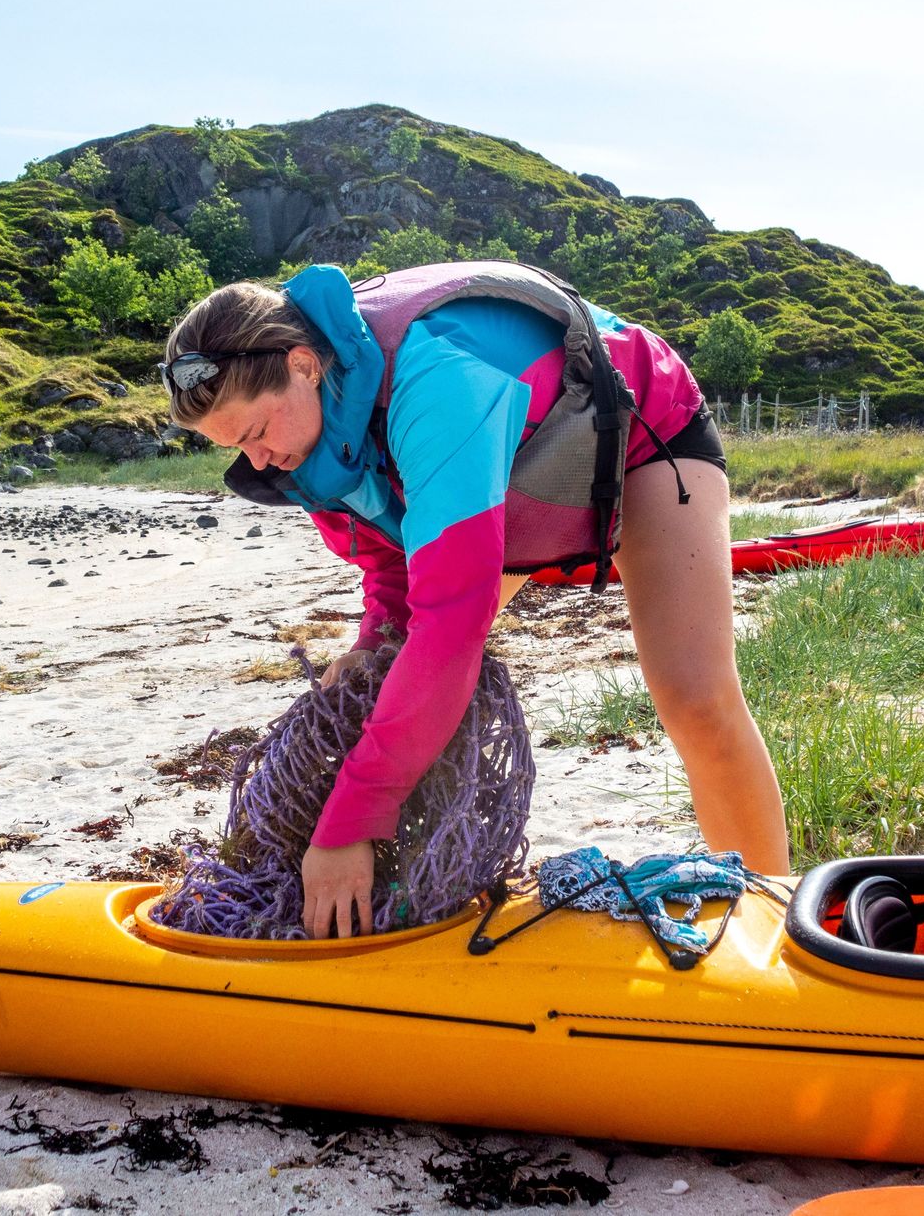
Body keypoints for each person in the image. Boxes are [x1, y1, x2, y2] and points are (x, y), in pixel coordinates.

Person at [163, 261, 791, 938]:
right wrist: (371, 646)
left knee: (694, 696)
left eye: (255, 432)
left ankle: (775, 916)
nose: (256, 460)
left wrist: (352, 820)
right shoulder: (309, 443)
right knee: (389, 672)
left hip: (640, 431)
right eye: (233, 448)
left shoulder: (434, 382)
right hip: (515, 475)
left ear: (304, 364)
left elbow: (451, 627)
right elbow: (392, 569)